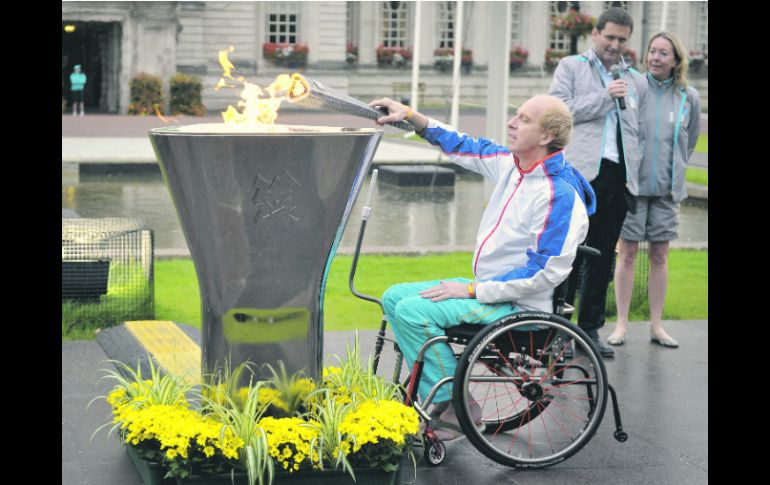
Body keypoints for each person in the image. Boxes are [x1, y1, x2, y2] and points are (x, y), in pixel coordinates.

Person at [369, 94, 595, 440]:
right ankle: (445, 386)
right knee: (393, 296)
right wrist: (411, 116)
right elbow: (461, 144)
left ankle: (454, 402)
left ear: (547, 136)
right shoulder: (511, 164)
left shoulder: (559, 194)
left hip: (520, 305)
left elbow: (544, 272)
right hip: (490, 290)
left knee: (414, 312)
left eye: (524, 119)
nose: (512, 122)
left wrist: (473, 289)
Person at [549, 7, 647, 358]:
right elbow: (558, 112)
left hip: (618, 176)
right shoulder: (571, 67)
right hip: (580, 172)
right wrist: (605, 96)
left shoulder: (635, 79)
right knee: (569, 253)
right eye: (610, 37)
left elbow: (639, 130)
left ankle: (588, 330)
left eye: (622, 39)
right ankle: (555, 329)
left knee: (603, 256)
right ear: (595, 34)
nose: (615, 45)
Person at [607, 32, 701, 349]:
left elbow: (688, 141)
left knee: (660, 257)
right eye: (652, 51)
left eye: (663, 53)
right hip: (632, 188)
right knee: (628, 254)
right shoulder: (633, 87)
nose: (656, 58)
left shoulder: (689, 96)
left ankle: (657, 326)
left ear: (676, 60)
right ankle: (621, 325)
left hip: (666, 192)